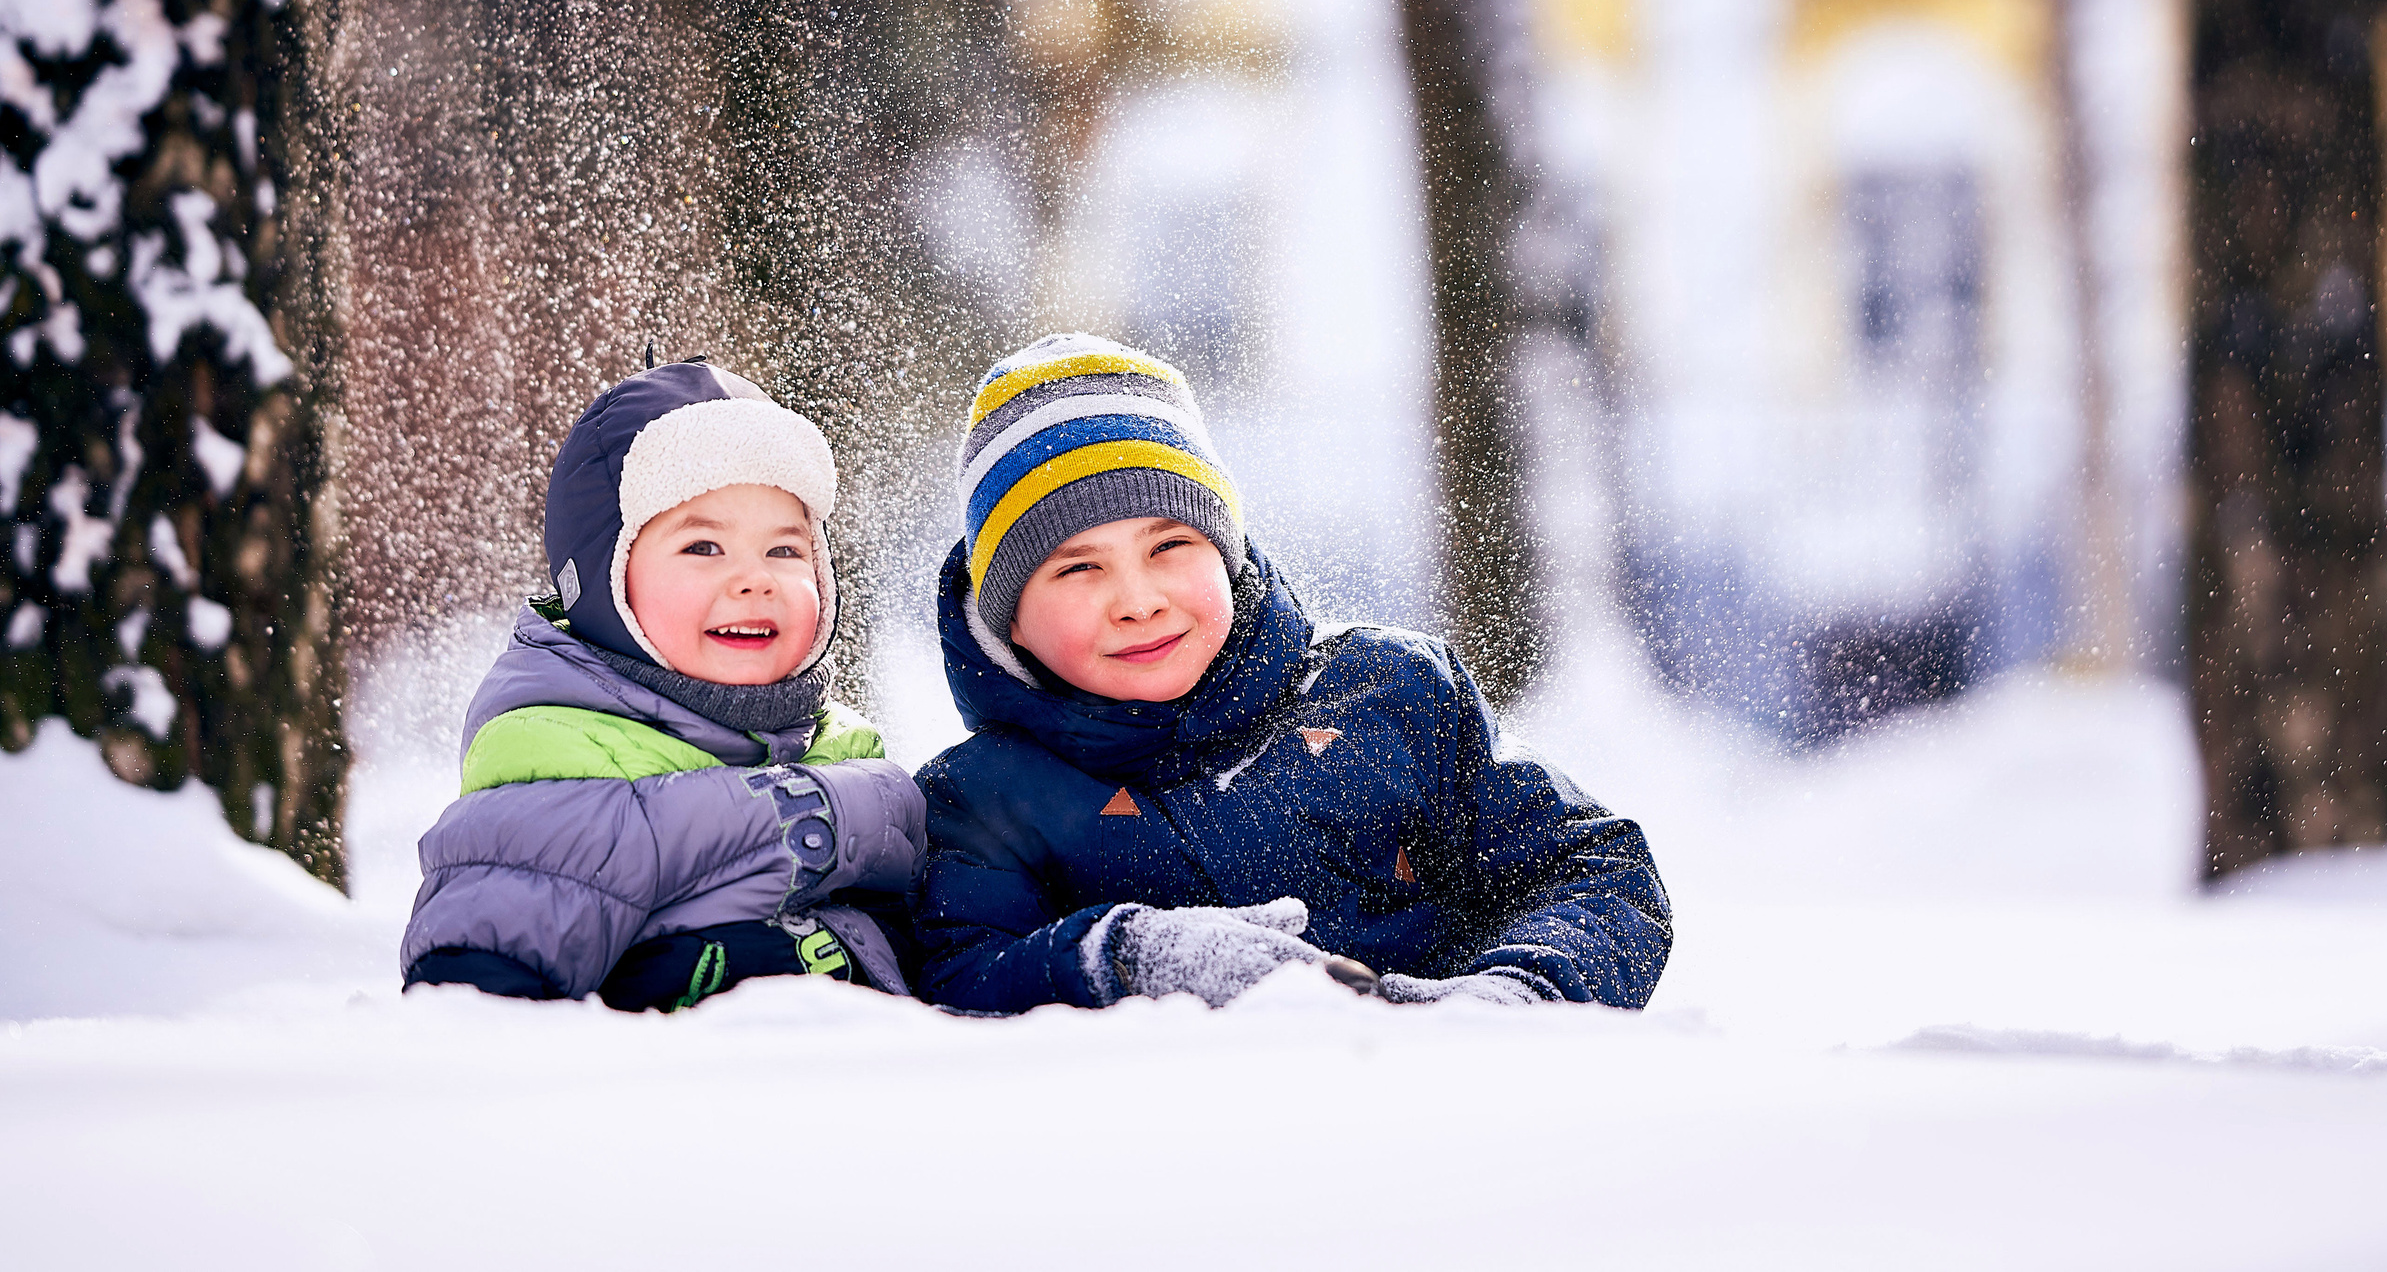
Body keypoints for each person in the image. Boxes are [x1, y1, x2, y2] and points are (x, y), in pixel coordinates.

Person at [912, 333, 1672, 1013]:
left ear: (1227, 549)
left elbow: (1595, 871)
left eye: (1169, 545)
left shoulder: (1393, 693)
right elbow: (956, 983)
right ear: (1008, 619)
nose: (1137, 601)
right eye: (1078, 567)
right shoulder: (981, 798)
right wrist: (1126, 956)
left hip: (1451, 1130)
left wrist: (1512, 998)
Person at [400, 360, 924, 1010]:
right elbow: (479, 1011)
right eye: (703, 547)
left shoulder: (850, 756)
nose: (754, 579)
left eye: (785, 551)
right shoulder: (563, 771)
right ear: (605, 582)